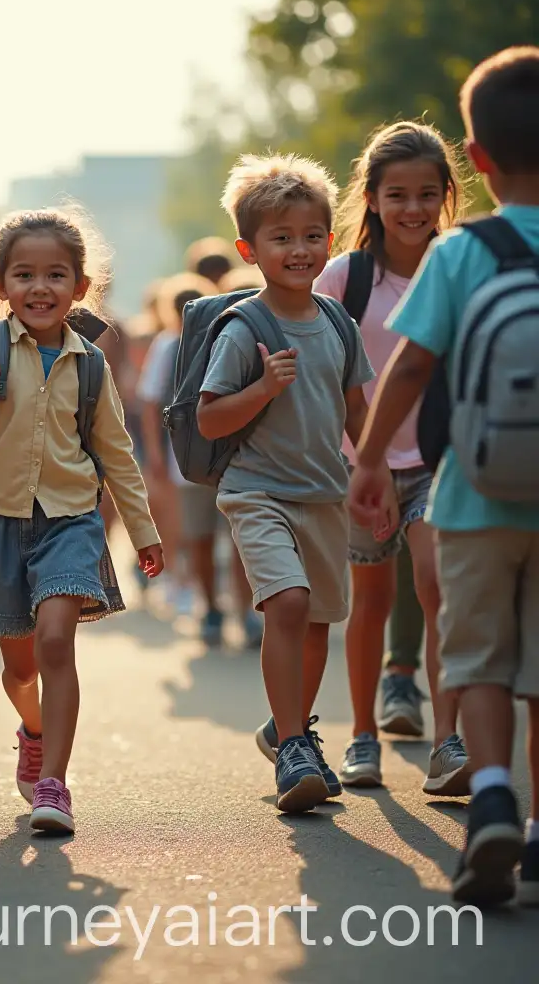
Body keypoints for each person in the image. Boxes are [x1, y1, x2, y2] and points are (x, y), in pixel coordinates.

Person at [349, 46, 539, 907]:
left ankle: (491, 790)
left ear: (480, 158)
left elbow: (414, 364)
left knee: (483, 657)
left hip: (473, 492)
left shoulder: (463, 253)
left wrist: (367, 458)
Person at [0, 207, 165, 834]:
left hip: (70, 521)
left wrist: (143, 531)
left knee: (56, 640)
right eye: (24, 274)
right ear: (0, 286)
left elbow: (116, 454)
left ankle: (54, 784)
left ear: (80, 287)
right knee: (19, 668)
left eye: (56, 275)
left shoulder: (92, 365)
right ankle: (32, 728)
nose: (40, 287)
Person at [197, 154, 379, 813]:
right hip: (257, 491)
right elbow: (210, 417)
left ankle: (287, 728)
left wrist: (374, 468)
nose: (298, 249)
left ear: (328, 241)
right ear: (251, 248)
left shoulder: (336, 322)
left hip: (324, 492)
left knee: (319, 623)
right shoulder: (247, 328)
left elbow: (357, 407)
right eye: (281, 237)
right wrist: (263, 387)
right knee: (291, 603)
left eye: (310, 236)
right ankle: (298, 749)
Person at [316, 121, 470, 795]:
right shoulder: (343, 277)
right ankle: (361, 739)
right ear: (371, 198)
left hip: (444, 458)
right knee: (371, 601)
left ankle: (449, 742)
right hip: (360, 463)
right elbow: (318, 371)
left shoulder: (461, 263)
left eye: (427, 194)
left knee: (439, 591)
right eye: (398, 194)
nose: (413, 209)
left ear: (446, 197)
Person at [137, 272, 260, 645]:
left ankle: (244, 611)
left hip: (232, 460)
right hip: (189, 461)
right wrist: (157, 455)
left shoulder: (231, 335)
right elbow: (151, 402)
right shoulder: (168, 345)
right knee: (202, 538)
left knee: (238, 540)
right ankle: (212, 608)